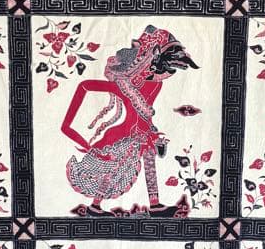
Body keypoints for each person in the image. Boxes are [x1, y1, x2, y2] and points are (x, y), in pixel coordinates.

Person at [60, 26, 198, 215]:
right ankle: (95, 206)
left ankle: (154, 205)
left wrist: (154, 134)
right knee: (112, 169)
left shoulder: (157, 83)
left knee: (149, 159)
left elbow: (145, 114)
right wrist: (74, 133)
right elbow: (85, 86)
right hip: (124, 133)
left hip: (143, 130)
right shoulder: (124, 84)